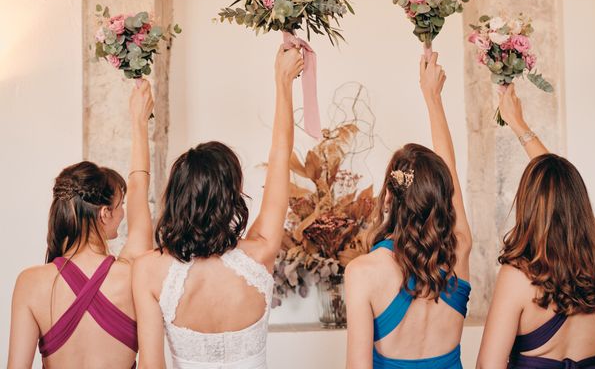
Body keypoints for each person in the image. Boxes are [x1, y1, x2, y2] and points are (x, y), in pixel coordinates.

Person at [132, 47, 303, 369]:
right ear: (232, 197)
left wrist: (139, 123)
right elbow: (281, 154)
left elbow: (151, 365)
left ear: (177, 198)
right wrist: (283, 83)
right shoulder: (260, 254)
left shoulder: (149, 271)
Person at [8, 80, 155, 369]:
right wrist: (138, 122)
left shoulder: (30, 283)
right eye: (120, 205)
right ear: (104, 213)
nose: (124, 212)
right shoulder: (134, 275)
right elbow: (140, 185)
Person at [476, 85, 595, 369]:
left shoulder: (517, 277)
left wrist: (517, 124)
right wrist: (520, 126)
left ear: (528, 207)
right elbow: (574, 204)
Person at [345, 52, 473, 369]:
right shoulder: (459, 248)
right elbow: (451, 172)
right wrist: (433, 98)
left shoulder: (362, 272)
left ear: (389, 195)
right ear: (443, 197)